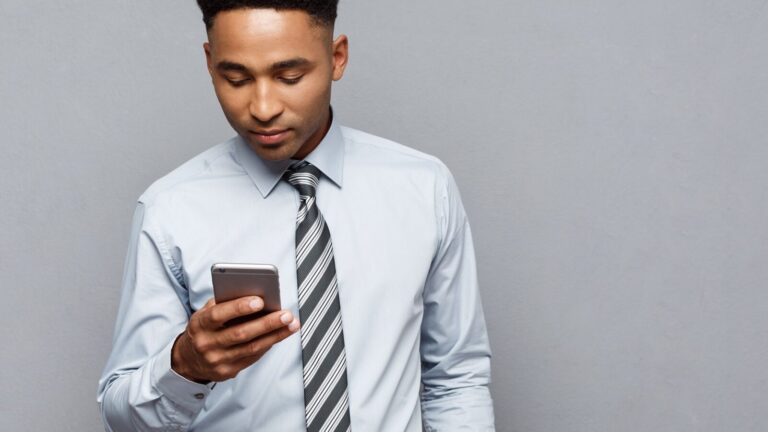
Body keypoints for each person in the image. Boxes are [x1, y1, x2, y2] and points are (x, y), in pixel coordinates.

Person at [97, 1, 495, 430]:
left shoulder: (423, 187)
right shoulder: (171, 208)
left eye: (289, 77)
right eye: (236, 78)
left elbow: (456, 378)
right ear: (210, 63)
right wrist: (185, 365)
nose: (263, 107)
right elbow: (121, 414)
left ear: (337, 57)